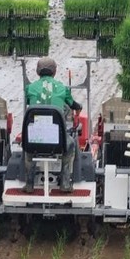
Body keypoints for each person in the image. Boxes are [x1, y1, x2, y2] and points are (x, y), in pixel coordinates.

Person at [23, 57, 82, 190]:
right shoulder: (62, 88)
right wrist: (79, 107)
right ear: (55, 72)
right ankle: (65, 183)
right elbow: (72, 104)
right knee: (71, 144)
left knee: (27, 149)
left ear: (38, 72)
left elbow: (28, 102)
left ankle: (29, 184)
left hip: (34, 141)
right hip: (57, 142)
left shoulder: (30, 88)